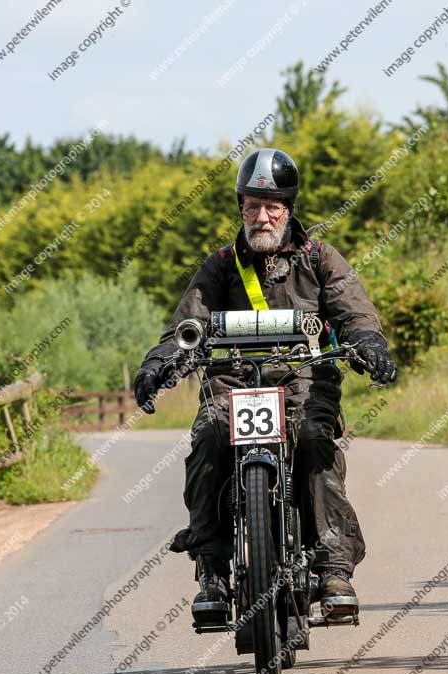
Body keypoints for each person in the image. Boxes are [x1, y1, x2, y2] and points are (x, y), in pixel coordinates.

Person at [135, 148, 397, 623]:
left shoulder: (320, 258)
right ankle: (212, 567)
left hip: (303, 378)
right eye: (253, 205)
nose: (262, 215)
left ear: (288, 209)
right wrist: (159, 363)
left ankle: (334, 567)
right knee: (211, 436)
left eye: (272, 206)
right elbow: (184, 325)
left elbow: (353, 309)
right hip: (231, 379)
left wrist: (368, 344)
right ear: (240, 207)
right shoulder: (220, 264)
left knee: (316, 440)